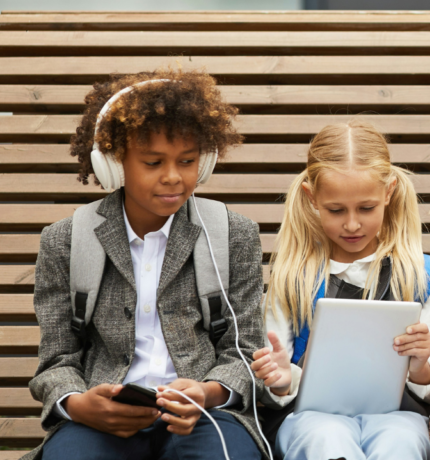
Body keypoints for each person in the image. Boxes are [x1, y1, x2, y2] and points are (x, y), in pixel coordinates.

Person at [27, 71, 269, 459]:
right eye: (153, 162)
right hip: (102, 419)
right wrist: (77, 403)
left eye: (188, 161)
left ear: (204, 163)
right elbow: (57, 359)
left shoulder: (232, 235)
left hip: (204, 416)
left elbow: (245, 350)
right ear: (113, 165)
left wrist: (208, 392)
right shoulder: (67, 240)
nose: (173, 177)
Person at [252, 121, 430, 460]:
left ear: (388, 192)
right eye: (336, 210)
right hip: (308, 416)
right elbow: (278, 381)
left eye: (366, 208)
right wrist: (282, 378)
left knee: (401, 441)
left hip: (396, 414)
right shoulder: (294, 276)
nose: (353, 224)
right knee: (325, 439)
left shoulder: (421, 276)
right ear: (312, 198)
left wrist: (418, 363)